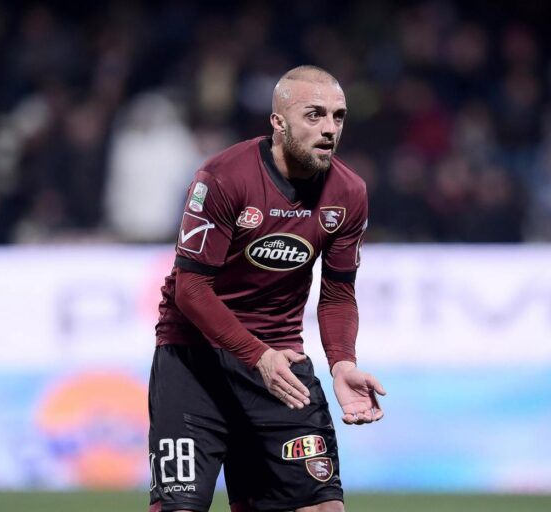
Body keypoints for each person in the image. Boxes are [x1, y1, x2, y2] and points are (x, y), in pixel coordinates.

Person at [148, 65, 386, 512]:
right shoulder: (223, 177)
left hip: (281, 364)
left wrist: (342, 362)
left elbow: (338, 292)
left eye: (338, 116)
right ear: (278, 122)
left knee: (322, 508)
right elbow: (191, 289)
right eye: (314, 115)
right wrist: (257, 355)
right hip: (195, 362)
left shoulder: (348, 193)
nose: (329, 128)